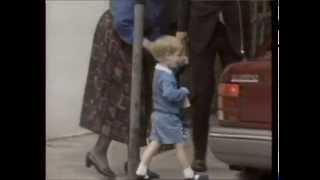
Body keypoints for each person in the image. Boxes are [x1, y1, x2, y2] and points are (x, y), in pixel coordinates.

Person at [80, 0, 176, 178]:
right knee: (121, 96)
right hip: (119, 33)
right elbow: (123, 21)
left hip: (141, 35)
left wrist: (161, 48)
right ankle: (100, 151)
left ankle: (135, 161)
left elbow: (160, 18)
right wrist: (148, 44)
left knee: (141, 95)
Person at [176, 0, 244, 172]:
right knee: (201, 94)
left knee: (237, 95)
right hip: (200, 28)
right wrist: (181, 29)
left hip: (230, 27)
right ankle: (199, 156)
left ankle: (236, 155)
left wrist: (246, 42)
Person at [135, 36, 208, 180]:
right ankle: (189, 175)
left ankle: (141, 171)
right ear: (167, 56)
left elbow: (172, 67)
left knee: (155, 143)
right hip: (168, 117)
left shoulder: (160, 70)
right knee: (180, 146)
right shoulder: (167, 77)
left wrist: (180, 62)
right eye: (178, 55)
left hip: (158, 115)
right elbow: (169, 93)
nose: (180, 57)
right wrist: (183, 91)